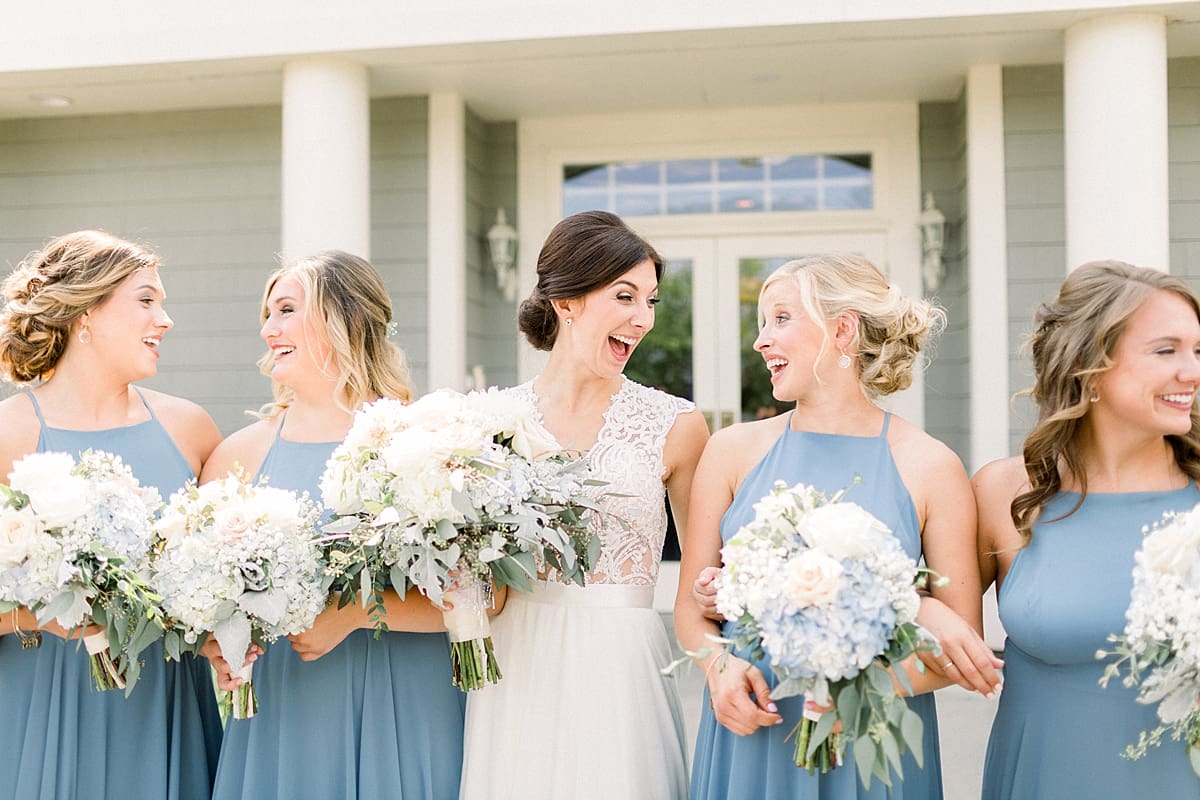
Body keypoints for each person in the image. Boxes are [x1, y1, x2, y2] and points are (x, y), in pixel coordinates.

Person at [677, 253, 1002, 799]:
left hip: (870, 742)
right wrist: (718, 668)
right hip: (756, 730)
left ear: (843, 330)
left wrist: (846, 690)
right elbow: (692, 604)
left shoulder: (930, 465)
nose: (761, 341)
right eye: (762, 323)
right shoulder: (731, 451)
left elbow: (958, 649)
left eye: (780, 319)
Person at [458, 211, 709, 800]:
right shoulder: (485, 420)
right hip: (514, 662)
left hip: (621, 666)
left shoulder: (675, 424)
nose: (643, 319)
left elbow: (706, 574)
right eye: (625, 296)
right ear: (567, 301)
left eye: (650, 301)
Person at [203, 251, 466, 800]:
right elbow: (208, 604)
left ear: (343, 319)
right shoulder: (240, 454)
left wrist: (349, 617)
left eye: (286, 310)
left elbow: (485, 597)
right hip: (289, 706)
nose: (268, 329)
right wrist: (220, 647)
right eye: (268, 314)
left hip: (407, 704)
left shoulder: (424, 441)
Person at [0, 230, 224, 799]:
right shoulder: (11, 433)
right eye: (147, 300)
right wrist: (40, 616)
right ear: (86, 316)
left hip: (169, 699)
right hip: (45, 699)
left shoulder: (190, 429)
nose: (165, 319)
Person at [976, 260, 1200, 798]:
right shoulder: (1004, 492)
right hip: (1043, 777)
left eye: (1197, 351)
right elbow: (931, 647)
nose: (1191, 371)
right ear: (1087, 365)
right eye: (1166, 351)